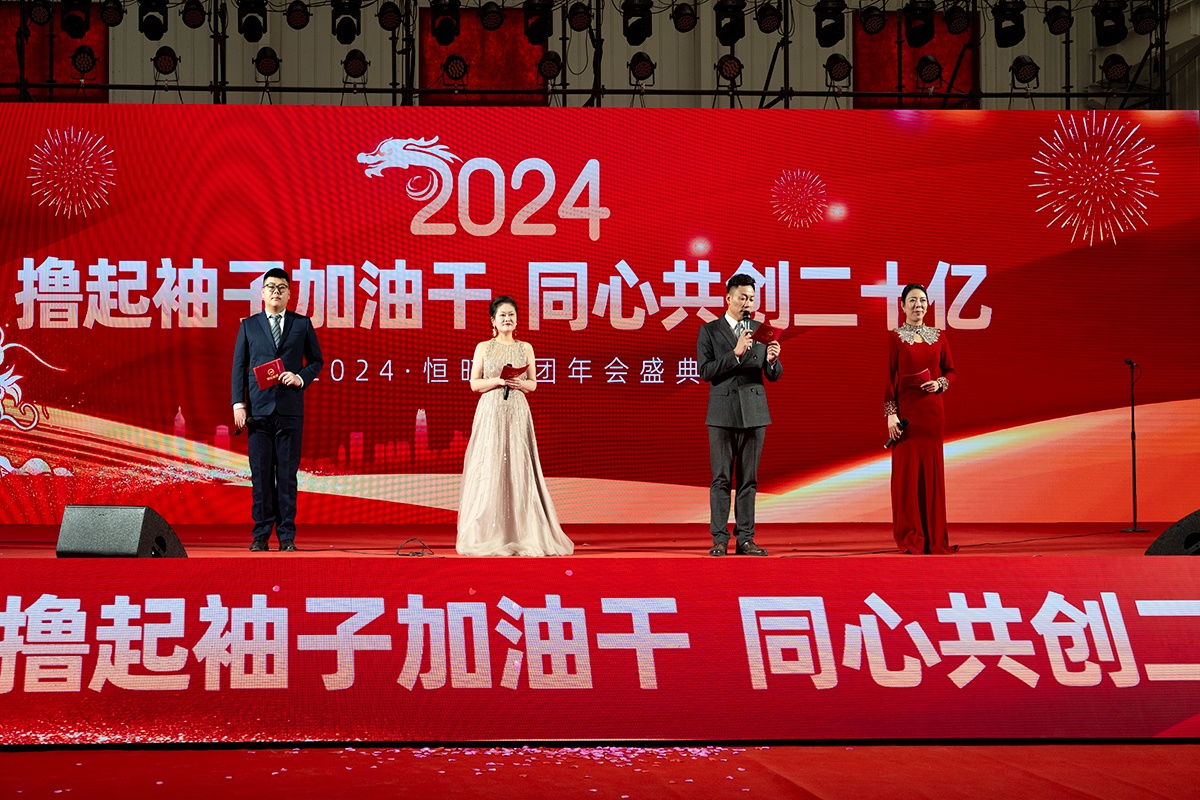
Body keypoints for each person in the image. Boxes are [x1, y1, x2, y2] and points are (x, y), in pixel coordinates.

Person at [456, 296, 574, 556]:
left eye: (511, 315)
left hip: (518, 411)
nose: (507, 319)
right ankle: (490, 534)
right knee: (490, 466)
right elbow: (474, 384)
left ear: (517, 320)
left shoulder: (525, 347)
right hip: (491, 411)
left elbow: (533, 384)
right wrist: (499, 381)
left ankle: (523, 532)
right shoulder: (483, 347)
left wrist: (520, 384)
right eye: (502, 315)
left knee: (519, 467)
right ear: (493, 321)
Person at [231, 268, 324, 552]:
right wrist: (238, 404)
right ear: (262, 292)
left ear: (289, 294)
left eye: (281, 287)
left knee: (286, 476)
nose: (276, 292)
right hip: (258, 412)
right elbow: (239, 367)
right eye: (270, 287)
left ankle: (286, 536)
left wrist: (300, 378)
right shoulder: (249, 325)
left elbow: (316, 361)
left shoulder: (301, 324)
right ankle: (260, 535)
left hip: (289, 410)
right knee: (260, 476)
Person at [697, 274, 782, 557]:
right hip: (722, 414)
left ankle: (746, 538)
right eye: (743, 297)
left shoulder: (761, 331)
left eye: (752, 299)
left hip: (754, 413)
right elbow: (705, 371)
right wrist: (734, 354)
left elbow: (773, 376)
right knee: (721, 479)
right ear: (729, 298)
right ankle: (719, 539)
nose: (748, 303)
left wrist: (772, 361)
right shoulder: (709, 331)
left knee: (749, 480)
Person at [885, 283, 957, 555]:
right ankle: (910, 537)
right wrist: (891, 414)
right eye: (913, 301)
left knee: (931, 474)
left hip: (932, 414)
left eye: (923, 301)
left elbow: (951, 371)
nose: (918, 305)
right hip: (906, 414)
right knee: (906, 477)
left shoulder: (938, 336)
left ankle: (933, 538)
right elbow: (888, 379)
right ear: (903, 306)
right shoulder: (895, 337)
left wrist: (940, 383)